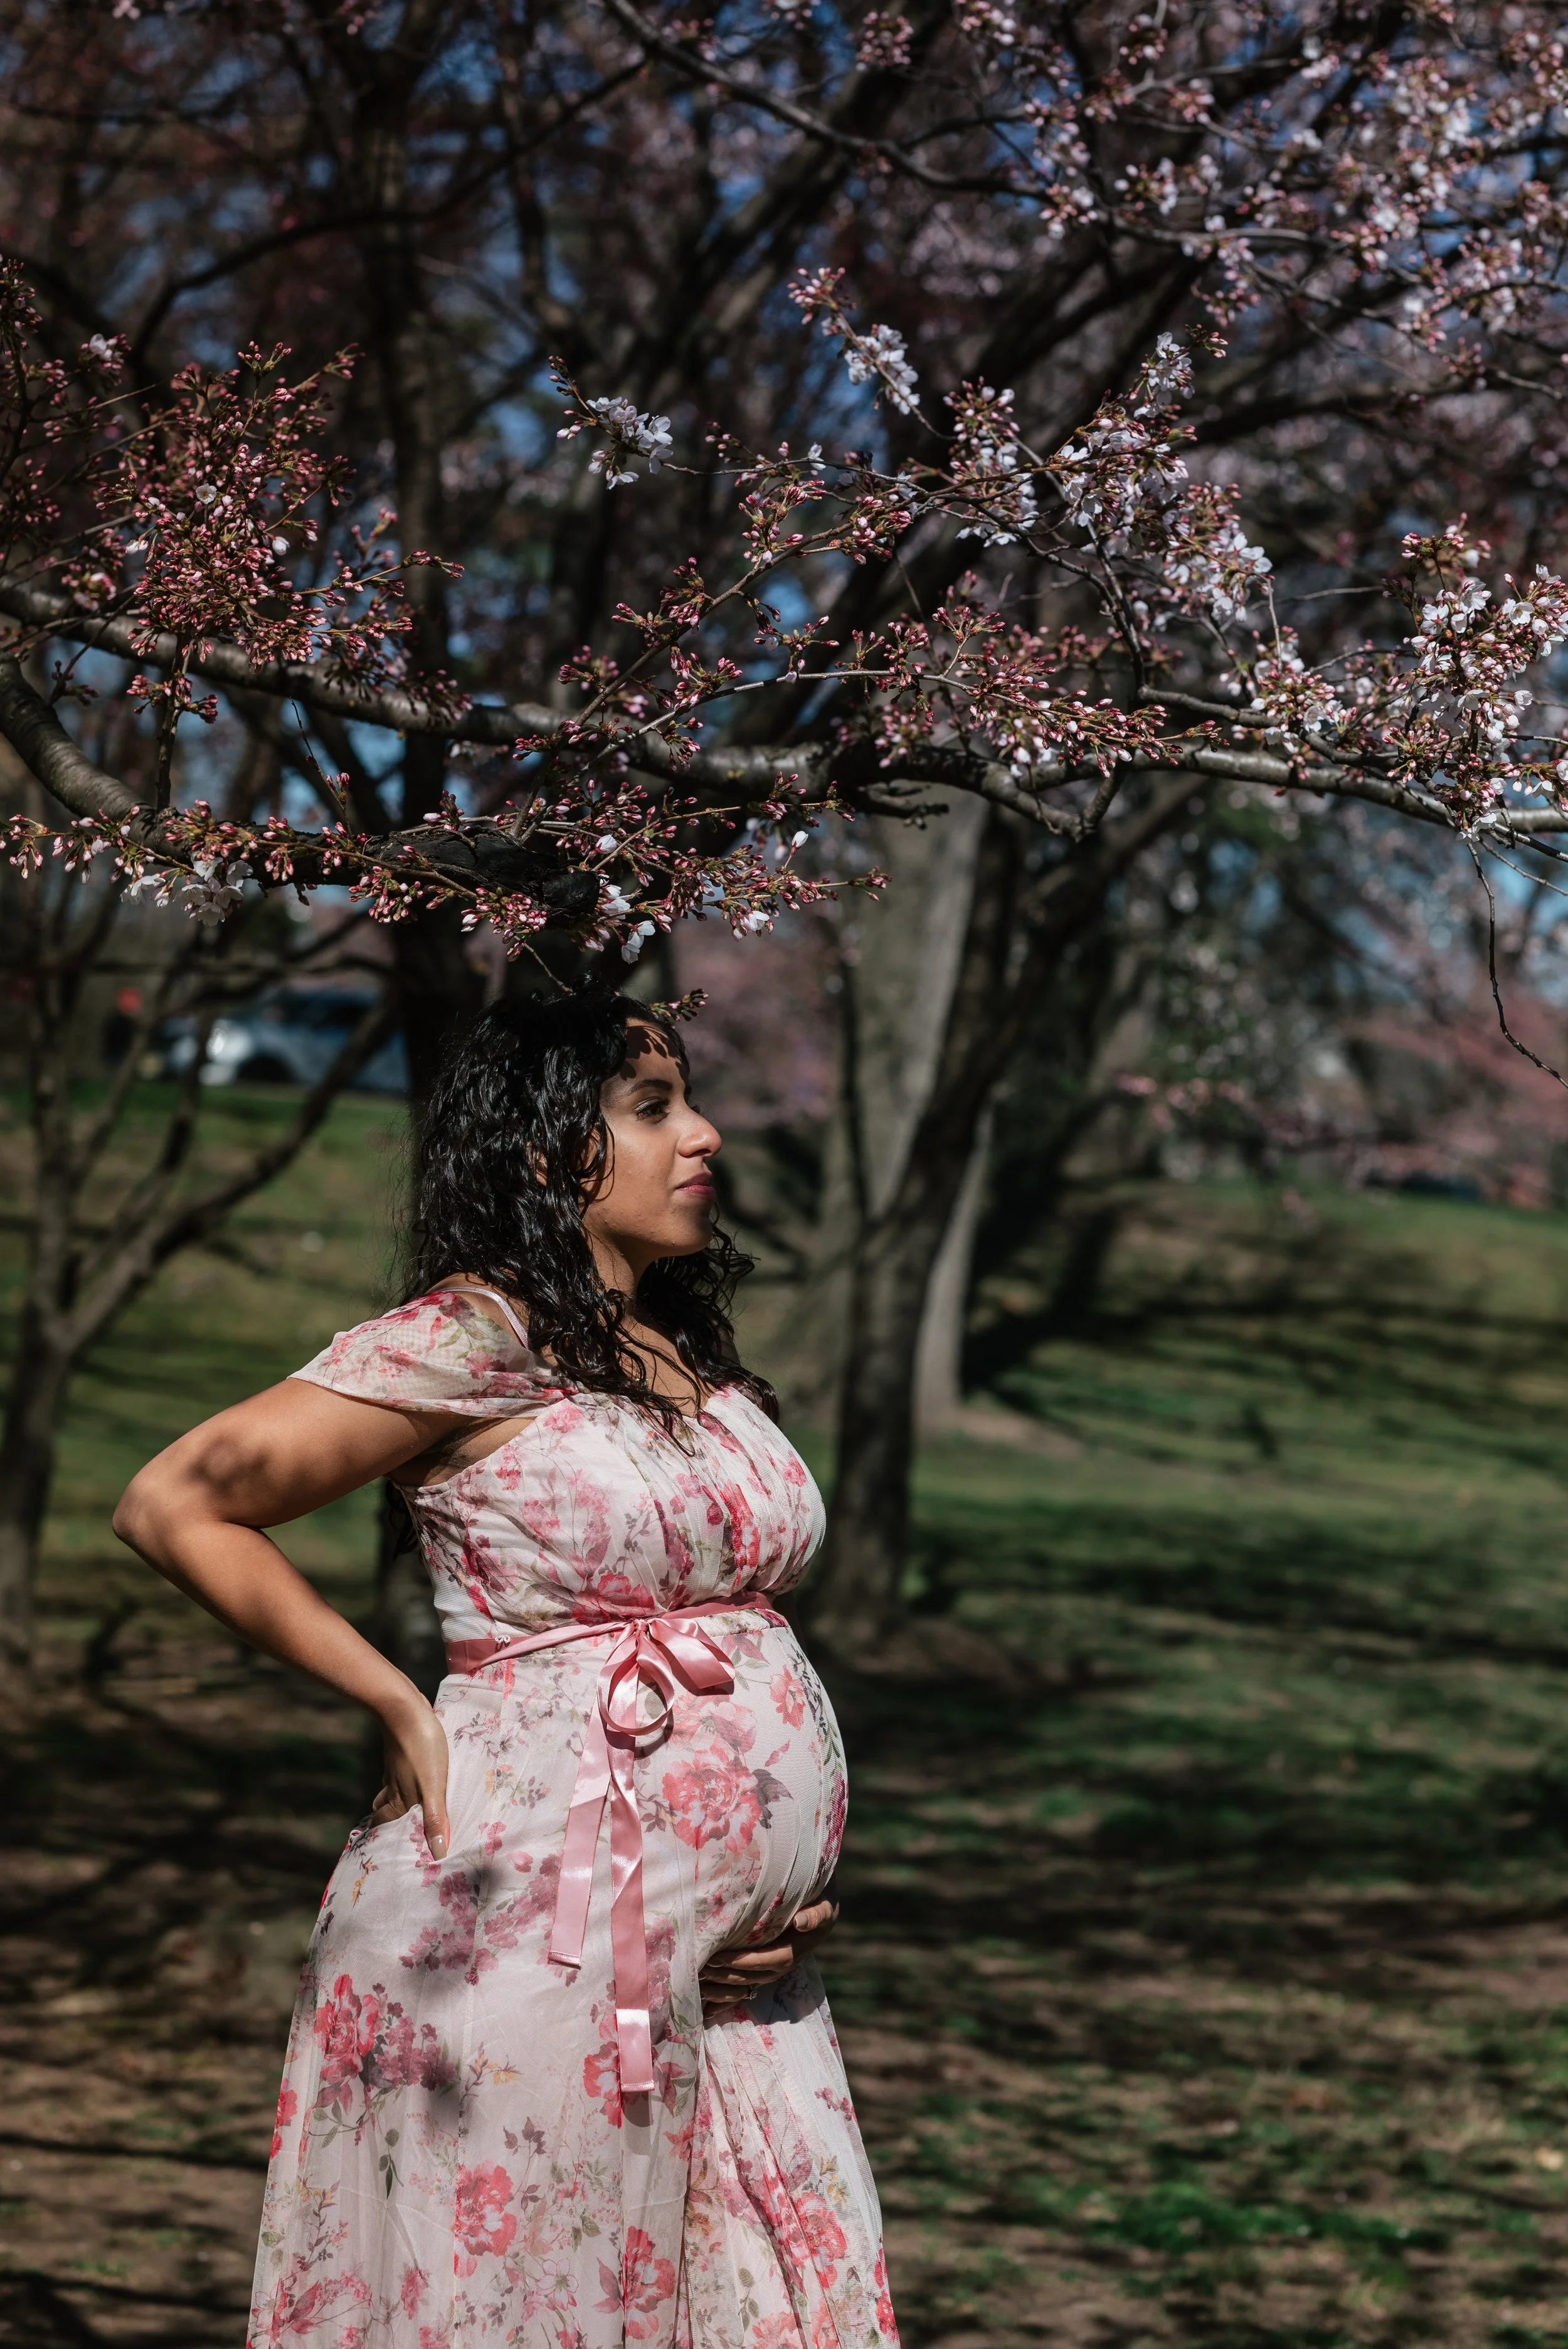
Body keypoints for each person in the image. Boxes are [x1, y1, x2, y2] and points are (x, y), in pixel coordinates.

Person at [114, 990, 898, 2349]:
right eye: (652, 1108)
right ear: (545, 1151)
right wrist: (395, 1703)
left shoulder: (681, 1349)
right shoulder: (481, 1335)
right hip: (525, 1936)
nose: (703, 1135)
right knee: (526, 2303)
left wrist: (752, 1885)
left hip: (725, 1987)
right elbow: (178, 1500)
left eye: (690, 1098)